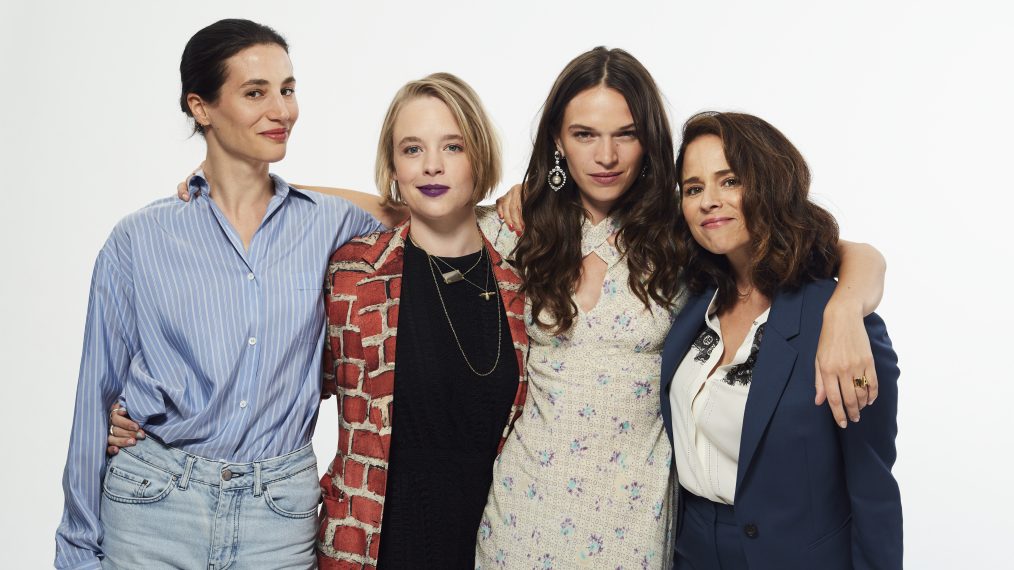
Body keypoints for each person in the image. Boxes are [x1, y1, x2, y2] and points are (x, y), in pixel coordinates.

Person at [475, 48, 888, 568]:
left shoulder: (682, 230)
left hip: (634, 521)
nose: (606, 156)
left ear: (648, 140)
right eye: (584, 135)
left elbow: (851, 253)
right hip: (522, 509)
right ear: (557, 140)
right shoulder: (519, 229)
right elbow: (416, 215)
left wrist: (845, 311)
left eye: (625, 133)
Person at [55, 19, 397, 569]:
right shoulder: (138, 239)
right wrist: (76, 552)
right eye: (255, 93)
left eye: (287, 90)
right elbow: (94, 402)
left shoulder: (328, 224)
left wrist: (284, 186)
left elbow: (420, 207)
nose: (282, 110)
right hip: (154, 503)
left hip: (276, 515)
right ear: (201, 107)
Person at [661, 112, 901, 569]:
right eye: (693, 188)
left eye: (728, 181)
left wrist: (847, 309)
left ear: (770, 184)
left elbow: (872, 489)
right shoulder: (690, 300)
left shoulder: (838, 321)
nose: (709, 201)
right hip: (687, 551)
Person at [314, 73, 529, 569]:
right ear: (392, 165)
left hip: (493, 550)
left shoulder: (526, 278)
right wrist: (142, 416)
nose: (432, 165)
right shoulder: (353, 272)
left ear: (480, 154)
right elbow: (279, 379)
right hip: (366, 550)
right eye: (412, 149)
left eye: (452, 146)